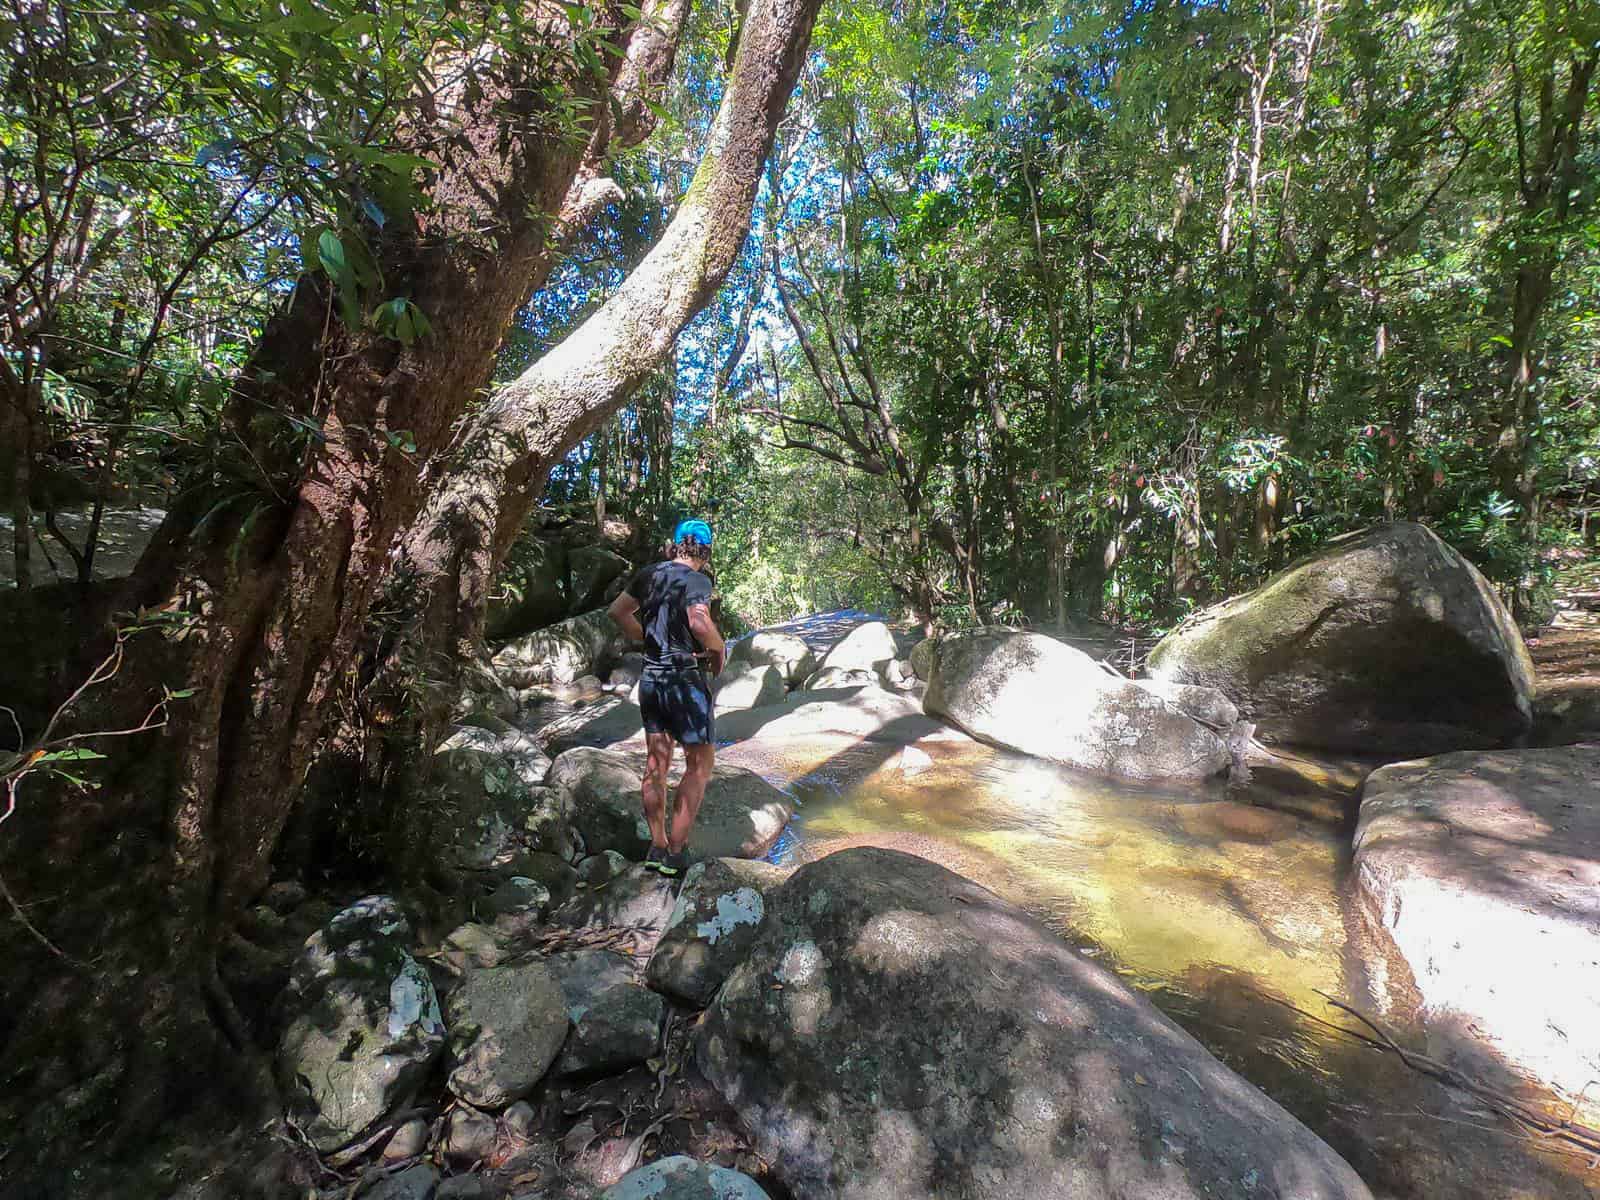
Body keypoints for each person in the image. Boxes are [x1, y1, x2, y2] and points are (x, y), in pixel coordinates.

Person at [607, 518, 726, 877]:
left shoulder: (649, 575)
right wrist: (719, 650)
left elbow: (617, 612)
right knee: (699, 765)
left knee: (656, 765)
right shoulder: (697, 580)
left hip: (652, 680)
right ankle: (676, 852)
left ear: (675, 546)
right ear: (704, 552)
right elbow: (700, 623)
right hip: (684, 682)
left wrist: (647, 639)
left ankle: (656, 846)